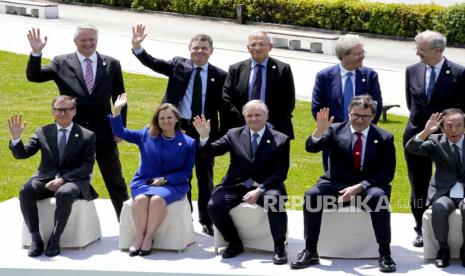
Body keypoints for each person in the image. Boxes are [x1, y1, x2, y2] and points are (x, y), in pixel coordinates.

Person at [25, 25, 129, 220]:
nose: (88, 44)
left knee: (115, 180)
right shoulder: (61, 62)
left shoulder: (112, 63)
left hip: (104, 133)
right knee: (71, 178)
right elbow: (34, 77)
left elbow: (120, 98)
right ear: (75, 42)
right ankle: (71, 226)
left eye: (92, 40)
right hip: (73, 134)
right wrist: (36, 53)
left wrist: (120, 128)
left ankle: (127, 225)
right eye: (84, 40)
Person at [131, 24, 226, 235]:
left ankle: (206, 219)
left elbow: (225, 107)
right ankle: (185, 215)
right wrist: (138, 47)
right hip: (177, 128)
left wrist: (219, 136)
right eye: (196, 47)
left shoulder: (220, 75)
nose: (199, 51)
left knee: (205, 175)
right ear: (189, 48)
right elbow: (153, 63)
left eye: (204, 48)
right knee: (180, 173)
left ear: (211, 51)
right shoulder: (178, 66)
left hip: (203, 131)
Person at [291, 95, 396, 273]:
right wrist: (318, 131)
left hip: (367, 187)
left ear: (373, 116)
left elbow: (386, 173)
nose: (360, 120)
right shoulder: (334, 130)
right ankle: (310, 250)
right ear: (349, 113)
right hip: (336, 184)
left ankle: (385, 253)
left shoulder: (384, 137)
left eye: (365, 116)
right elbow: (312, 147)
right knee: (312, 196)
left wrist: (360, 187)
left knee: (379, 198)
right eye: (356, 115)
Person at [193, 100, 290, 265]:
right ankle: (234, 242)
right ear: (244, 117)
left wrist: (260, 190)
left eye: (258, 115)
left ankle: (279, 247)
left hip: (266, 186)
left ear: (266, 116)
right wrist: (204, 136)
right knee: (214, 205)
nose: (253, 119)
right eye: (249, 115)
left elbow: (281, 172)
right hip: (236, 185)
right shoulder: (234, 134)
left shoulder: (281, 139)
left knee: (275, 201)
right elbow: (210, 151)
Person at [9, 95, 97, 257]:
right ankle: (36, 239)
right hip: (45, 178)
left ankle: (55, 239)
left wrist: (63, 180)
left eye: (66, 109)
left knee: (64, 193)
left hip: (73, 180)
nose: (62, 113)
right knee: (26, 190)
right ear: (53, 112)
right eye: (58, 109)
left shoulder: (87, 135)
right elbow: (23, 154)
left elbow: (86, 166)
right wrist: (16, 138)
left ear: (74, 112)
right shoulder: (42, 132)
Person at [109, 93, 196, 256]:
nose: (166, 121)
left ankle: (149, 237)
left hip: (172, 184)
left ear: (177, 119)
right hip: (144, 182)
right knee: (141, 199)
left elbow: (186, 172)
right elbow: (120, 132)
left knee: (156, 200)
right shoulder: (146, 134)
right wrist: (116, 111)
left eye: (170, 117)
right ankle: (139, 237)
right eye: (162, 118)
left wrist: (164, 180)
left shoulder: (188, 142)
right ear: (157, 120)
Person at [404, 30, 465, 247]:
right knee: (418, 185)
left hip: (449, 138)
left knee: (446, 181)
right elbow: (412, 104)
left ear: (437, 50)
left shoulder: (459, 73)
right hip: (418, 135)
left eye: (422, 49)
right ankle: (419, 227)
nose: (418, 53)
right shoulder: (411, 70)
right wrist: (424, 130)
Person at [312, 34, 383, 171]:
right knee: (333, 177)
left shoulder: (370, 75)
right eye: (357, 54)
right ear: (343, 56)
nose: (362, 56)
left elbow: (376, 106)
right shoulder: (324, 76)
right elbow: (318, 107)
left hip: (362, 134)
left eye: (363, 52)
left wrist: (364, 128)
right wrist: (332, 131)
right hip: (334, 136)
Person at [405, 109, 465, 268]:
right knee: (438, 208)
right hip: (444, 191)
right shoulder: (436, 141)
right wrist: (426, 132)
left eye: (459, 125)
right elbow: (411, 148)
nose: (454, 130)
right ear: (442, 128)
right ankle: (443, 250)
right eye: (449, 126)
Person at [221, 30, 295, 139]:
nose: (257, 48)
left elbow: (288, 102)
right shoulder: (235, 69)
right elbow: (227, 99)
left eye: (261, 44)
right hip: (242, 129)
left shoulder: (283, 69)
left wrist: (267, 124)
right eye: (253, 44)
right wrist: (248, 121)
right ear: (248, 47)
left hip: (274, 129)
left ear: (270, 47)